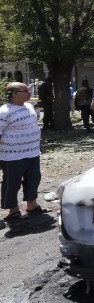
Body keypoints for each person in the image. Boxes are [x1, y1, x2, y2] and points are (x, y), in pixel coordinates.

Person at [0, 82, 47, 222]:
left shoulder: (28, 106)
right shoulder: (3, 111)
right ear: (14, 94)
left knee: (33, 178)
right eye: (25, 90)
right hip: (12, 155)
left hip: (32, 152)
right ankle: (13, 210)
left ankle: (32, 205)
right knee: (12, 182)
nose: (29, 92)